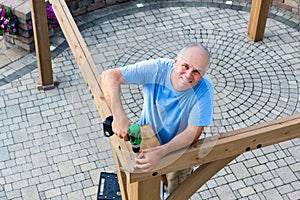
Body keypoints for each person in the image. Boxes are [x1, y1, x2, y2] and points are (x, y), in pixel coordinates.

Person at [100, 43, 214, 194]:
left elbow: (193, 132)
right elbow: (109, 76)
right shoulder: (156, 69)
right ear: (175, 62)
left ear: (203, 74)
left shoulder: (204, 90)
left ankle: (166, 190)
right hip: (148, 138)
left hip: (178, 148)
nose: (188, 75)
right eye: (185, 66)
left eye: (196, 72)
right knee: (146, 183)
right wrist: (118, 116)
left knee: (177, 190)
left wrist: (162, 151)